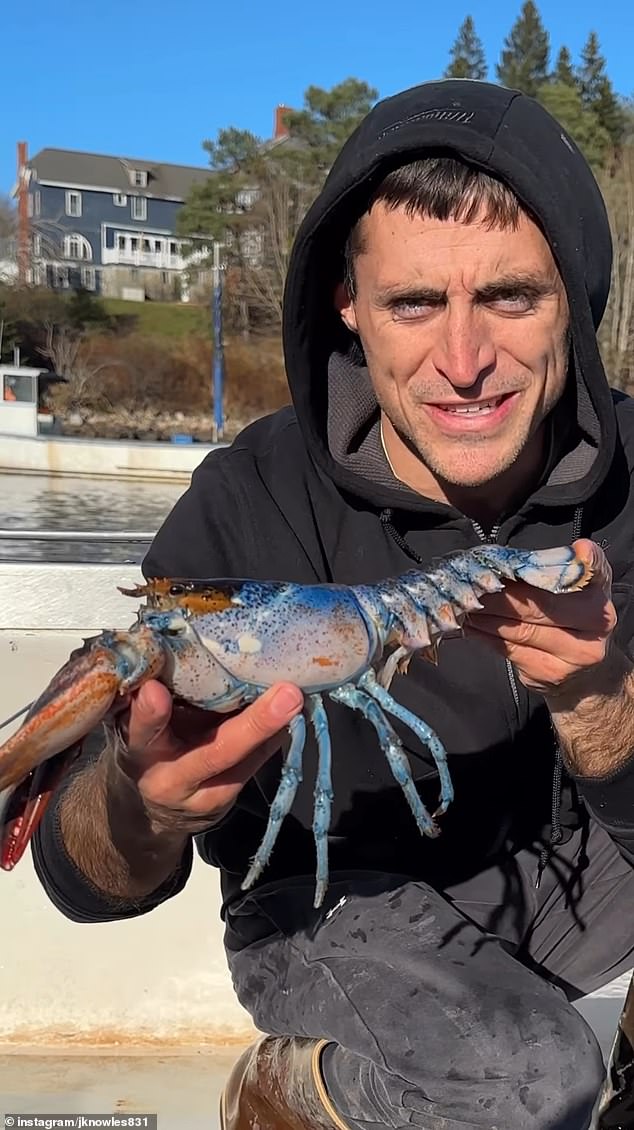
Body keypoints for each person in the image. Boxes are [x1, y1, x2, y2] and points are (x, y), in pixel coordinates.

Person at [31, 79, 634, 1130]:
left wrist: (602, 703)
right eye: (412, 303)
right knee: (533, 1079)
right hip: (330, 893)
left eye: (508, 296)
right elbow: (84, 881)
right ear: (347, 307)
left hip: (587, 873)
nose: (462, 363)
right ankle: (289, 1091)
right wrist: (147, 804)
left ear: (574, 298)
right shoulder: (249, 498)